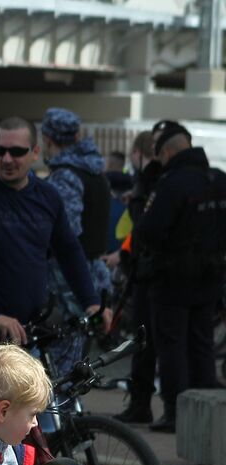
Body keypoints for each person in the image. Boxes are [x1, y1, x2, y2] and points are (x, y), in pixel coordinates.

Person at [0, 117, 100, 390]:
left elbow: (69, 251)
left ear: (35, 152)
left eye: (17, 152)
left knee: (37, 427)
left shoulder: (48, 196)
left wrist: (91, 301)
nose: (7, 159)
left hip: (30, 335)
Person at [131, 120, 226, 432]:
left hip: (171, 281)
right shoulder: (218, 179)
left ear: (168, 152)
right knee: (202, 345)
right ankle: (208, 410)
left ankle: (175, 412)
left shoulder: (171, 184)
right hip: (210, 279)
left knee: (171, 347)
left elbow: (147, 230)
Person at [111, 129, 164, 424]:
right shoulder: (163, 180)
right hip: (155, 274)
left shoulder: (148, 183)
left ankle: (139, 403)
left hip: (145, 275)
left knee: (143, 341)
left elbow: (141, 228)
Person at [41, 107, 114, 310]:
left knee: (69, 340)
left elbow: (65, 235)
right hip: (96, 273)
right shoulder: (94, 170)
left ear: (47, 138)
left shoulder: (65, 177)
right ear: (76, 135)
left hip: (68, 279)